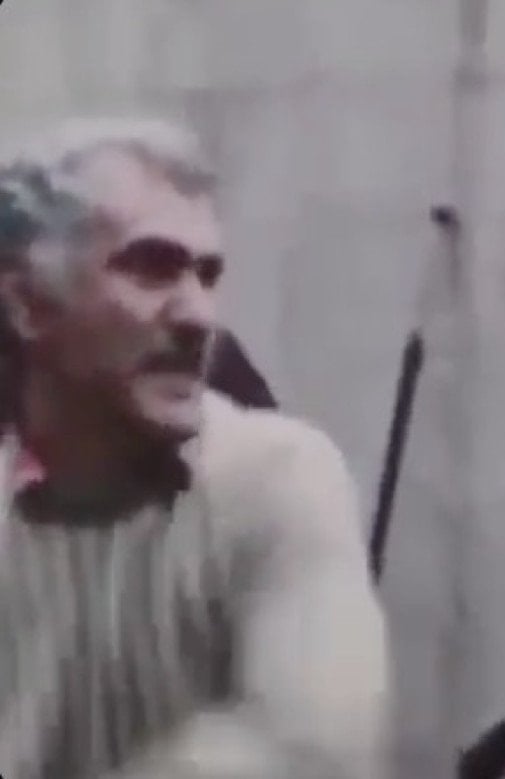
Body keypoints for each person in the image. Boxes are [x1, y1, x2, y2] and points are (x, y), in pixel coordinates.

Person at [0, 118, 389, 778]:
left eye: (207, 275)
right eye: (152, 268)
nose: (199, 316)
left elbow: (309, 751)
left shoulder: (274, 478)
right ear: (29, 304)